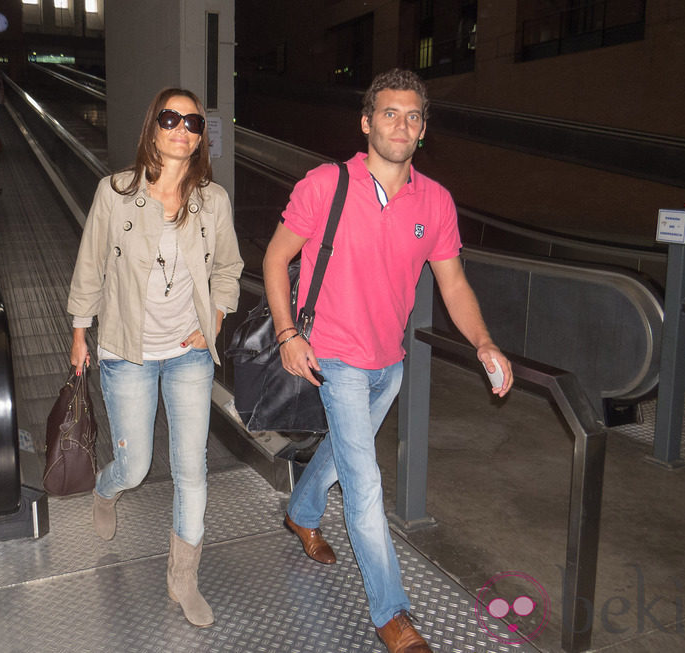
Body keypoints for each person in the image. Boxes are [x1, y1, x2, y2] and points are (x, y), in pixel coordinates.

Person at [262, 69, 514, 653]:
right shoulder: (327, 185)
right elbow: (276, 259)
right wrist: (285, 334)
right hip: (335, 356)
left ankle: (301, 513)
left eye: (413, 116)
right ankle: (392, 616)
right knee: (366, 483)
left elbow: (453, 285)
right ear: (366, 121)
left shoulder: (436, 201)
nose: (400, 125)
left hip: (388, 363)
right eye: (389, 113)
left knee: (342, 457)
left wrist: (483, 342)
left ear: (423, 130)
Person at [67, 88, 243, 628]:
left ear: (200, 136)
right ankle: (106, 487)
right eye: (171, 118)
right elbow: (91, 265)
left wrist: (212, 320)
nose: (182, 128)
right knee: (136, 465)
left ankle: (182, 579)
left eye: (192, 122)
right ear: (153, 126)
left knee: (193, 469)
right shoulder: (115, 193)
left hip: (189, 353)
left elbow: (229, 269)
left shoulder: (213, 201)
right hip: (128, 352)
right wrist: (79, 333)